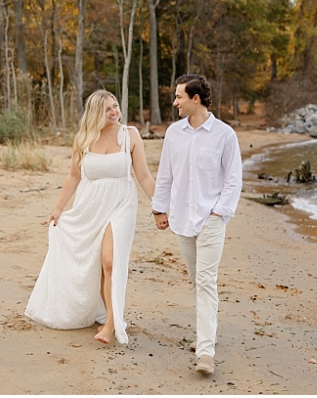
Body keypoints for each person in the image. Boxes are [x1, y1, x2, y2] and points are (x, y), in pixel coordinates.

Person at [25, 90, 156, 344]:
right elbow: (73, 176)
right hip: (90, 207)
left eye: (115, 106)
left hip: (121, 204)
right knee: (95, 264)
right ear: (96, 112)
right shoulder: (83, 138)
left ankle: (111, 324)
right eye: (107, 109)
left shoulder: (130, 136)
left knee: (109, 261)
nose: (114, 112)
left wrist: (160, 207)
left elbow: (143, 176)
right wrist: (59, 208)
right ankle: (106, 310)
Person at [151, 74, 242, 376]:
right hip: (180, 219)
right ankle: (207, 333)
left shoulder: (224, 135)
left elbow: (232, 179)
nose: (174, 102)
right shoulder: (173, 134)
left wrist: (219, 213)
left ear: (195, 99)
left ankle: (206, 352)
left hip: (211, 219)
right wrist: (158, 209)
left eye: (178, 97)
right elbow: (165, 175)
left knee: (205, 282)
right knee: (196, 280)